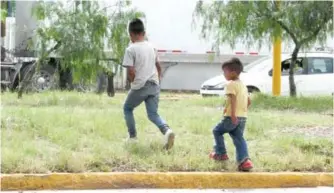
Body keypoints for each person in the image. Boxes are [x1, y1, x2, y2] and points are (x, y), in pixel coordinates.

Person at [122, 18, 175, 150]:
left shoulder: (130, 49)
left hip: (140, 86)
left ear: (131, 34)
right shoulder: (152, 47)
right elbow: (158, 66)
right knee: (153, 114)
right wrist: (158, 80)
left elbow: (131, 71)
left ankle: (133, 137)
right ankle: (167, 131)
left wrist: (131, 81)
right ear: (144, 33)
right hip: (154, 84)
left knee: (127, 108)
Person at [209, 58, 253, 171]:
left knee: (217, 131)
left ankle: (220, 154)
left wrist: (233, 114)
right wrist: (242, 113)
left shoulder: (231, 84)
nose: (224, 74)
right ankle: (244, 161)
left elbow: (233, 99)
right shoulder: (243, 85)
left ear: (233, 73)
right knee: (238, 137)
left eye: (225, 72)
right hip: (243, 117)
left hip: (231, 117)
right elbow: (249, 101)